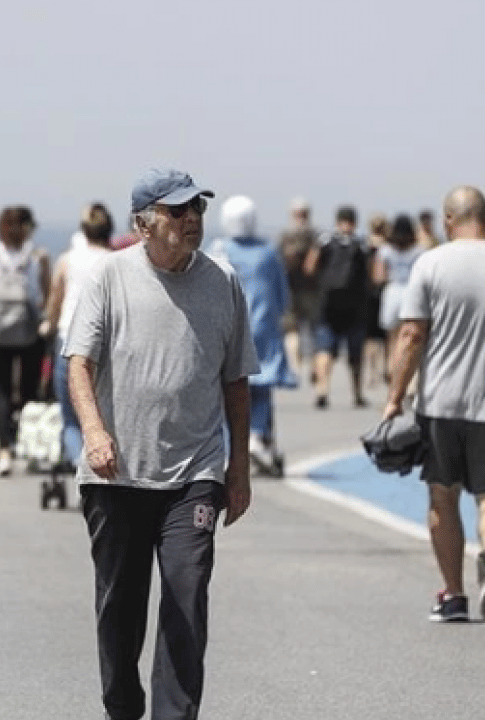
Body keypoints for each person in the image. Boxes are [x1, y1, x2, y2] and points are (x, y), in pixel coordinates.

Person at [64, 168, 257, 720]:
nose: (192, 219)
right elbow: (79, 363)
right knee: (120, 608)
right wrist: (94, 432)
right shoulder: (108, 276)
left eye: (197, 208)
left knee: (186, 596)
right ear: (144, 224)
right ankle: (123, 708)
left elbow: (236, 381)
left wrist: (238, 468)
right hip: (117, 473)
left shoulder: (223, 282)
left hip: (194, 473)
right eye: (178, 210)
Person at [383, 186, 485, 626]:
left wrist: (395, 398)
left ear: (447, 221)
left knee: (443, 494)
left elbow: (412, 335)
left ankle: (453, 596)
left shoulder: (430, 264)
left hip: (441, 402)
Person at [207, 195, 296, 477]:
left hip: (227, 330)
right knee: (261, 387)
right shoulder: (268, 252)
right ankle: (257, 435)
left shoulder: (218, 250)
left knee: (226, 390)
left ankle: (228, 447)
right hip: (263, 329)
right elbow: (282, 296)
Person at [0, 205, 51, 477]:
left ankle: (4, 451)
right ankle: (27, 445)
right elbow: (47, 294)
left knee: (2, 391)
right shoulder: (38, 256)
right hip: (29, 331)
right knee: (30, 389)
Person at [43, 202, 114, 467]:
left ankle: (79, 466)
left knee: (71, 417)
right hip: (106, 342)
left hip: (69, 340)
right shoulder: (115, 262)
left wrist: (48, 326)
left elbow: (55, 301)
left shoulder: (67, 260)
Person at [303, 205, 370, 409]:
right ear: (355, 222)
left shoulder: (324, 240)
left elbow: (309, 267)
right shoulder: (361, 243)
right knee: (355, 352)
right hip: (354, 305)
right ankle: (357, 394)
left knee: (324, 348)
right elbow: (372, 273)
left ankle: (322, 390)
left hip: (327, 304)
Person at [277, 197, 319, 379]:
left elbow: (277, 262)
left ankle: (296, 367)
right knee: (311, 328)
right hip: (311, 289)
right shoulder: (315, 235)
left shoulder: (285, 235)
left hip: (290, 288)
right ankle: (312, 365)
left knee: (292, 329)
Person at [373, 214, 423, 361]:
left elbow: (378, 276)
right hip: (412, 292)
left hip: (392, 290)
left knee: (391, 335)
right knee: (409, 334)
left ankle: (390, 363)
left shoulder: (385, 250)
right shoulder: (419, 251)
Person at [363, 214, 389, 388]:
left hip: (368, 293)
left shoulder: (365, 245)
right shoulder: (389, 246)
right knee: (387, 337)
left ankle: (372, 373)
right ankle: (385, 369)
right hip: (385, 293)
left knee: (370, 338)